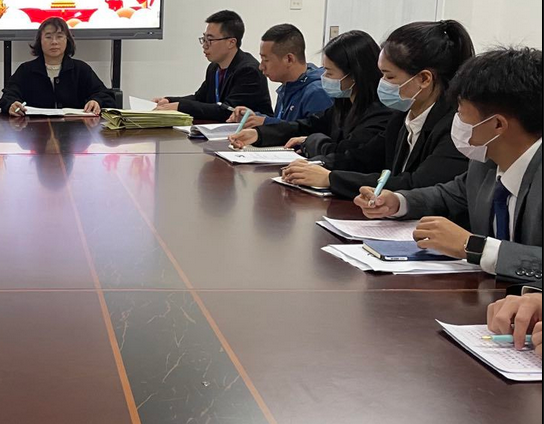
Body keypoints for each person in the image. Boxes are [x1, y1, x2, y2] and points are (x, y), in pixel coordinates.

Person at [356, 47, 542, 285]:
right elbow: (448, 195)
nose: (457, 121)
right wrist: (398, 202)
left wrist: (474, 246)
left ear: (497, 125)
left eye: (461, 113)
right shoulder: (485, 165)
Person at [303, 20, 473, 197]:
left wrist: (331, 179)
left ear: (424, 79)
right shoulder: (402, 116)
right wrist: (317, 165)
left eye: (389, 77)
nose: (382, 83)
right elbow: (365, 158)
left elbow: (415, 184)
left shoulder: (454, 127)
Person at [230, 30, 388, 168]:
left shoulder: (379, 113)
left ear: (354, 75)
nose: (323, 77)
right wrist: (259, 134)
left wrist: (311, 141)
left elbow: (347, 155)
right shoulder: (344, 102)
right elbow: (307, 125)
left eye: (329, 72)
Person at [154, 10, 272, 119]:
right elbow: (200, 98)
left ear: (231, 42)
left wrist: (180, 107)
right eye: (204, 39)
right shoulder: (214, 68)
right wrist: (169, 100)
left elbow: (228, 111)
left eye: (210, 40)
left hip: (251, 132)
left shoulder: (248, 71)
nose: (205, 45)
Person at [0, 16, 115, 116]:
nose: (54, 42)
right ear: (40, 41)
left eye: (59, 36)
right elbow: (8, 96)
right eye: (48, 37)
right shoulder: (26, 70)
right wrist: (11, 105)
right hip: (35, 129)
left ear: (67, 40)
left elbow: (105, 95)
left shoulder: (81, 69)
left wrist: (96, 101)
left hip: (75, 129)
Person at [227, 23, 331, 128]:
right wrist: (254, 117)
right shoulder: (288, 86)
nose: (261, 67)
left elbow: (309, 132)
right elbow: (283, 123)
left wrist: (266, 122)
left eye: (266, 60)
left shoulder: (317, 92)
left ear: (289, 59)